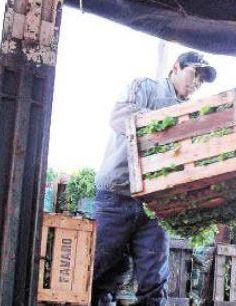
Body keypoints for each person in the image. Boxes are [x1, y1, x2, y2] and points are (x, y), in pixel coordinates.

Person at [92, 51, 217, 306]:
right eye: (194, 73)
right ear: (176, 67)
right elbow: (118, 116)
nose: (196, 83)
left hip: (156, 207)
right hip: (117, 195)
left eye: (202, 80)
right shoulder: (145, 87)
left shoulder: (194, 113)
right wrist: (172, 124)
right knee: (101, 273)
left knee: (154, 282)